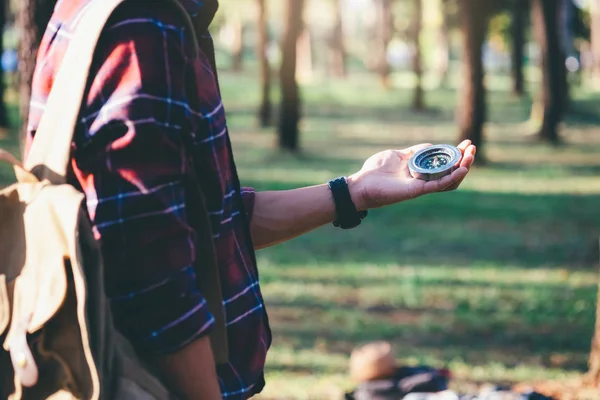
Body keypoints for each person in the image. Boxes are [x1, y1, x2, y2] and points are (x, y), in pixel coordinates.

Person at [24, 0, 476, 398]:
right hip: (144, 380)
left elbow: (202, 220)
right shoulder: (147, 25)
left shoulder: (92, 11)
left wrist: (355, 191)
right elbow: (148, 264)